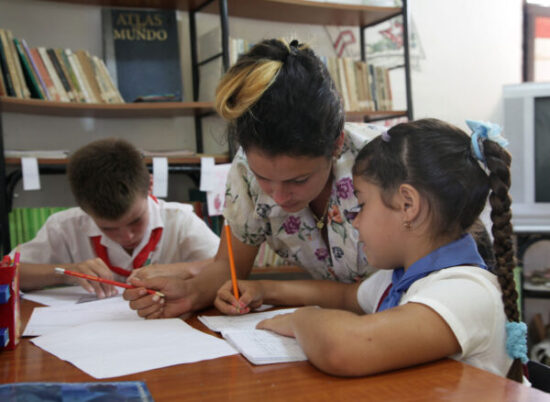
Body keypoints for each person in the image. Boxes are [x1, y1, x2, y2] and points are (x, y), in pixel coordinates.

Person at [214, 118, 527, 382]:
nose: (357, 221)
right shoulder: (400, 278)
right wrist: (263, 290)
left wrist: (299, 320)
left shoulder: (464, 291)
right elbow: (345, 296)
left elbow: (346, 347)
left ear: (408, 205)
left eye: (361, 205)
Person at [123, 38, 384, 318]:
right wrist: (191, 293)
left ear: (336, 144)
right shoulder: (245, 171)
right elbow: (229, 267)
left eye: (298, 180)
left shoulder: (387, 163)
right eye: (264, 178)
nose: (279, 197)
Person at [15, 138, 219, 298]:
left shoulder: (180, 220)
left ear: (149, 186)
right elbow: (8, 273)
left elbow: (231, 265)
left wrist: (182, 270)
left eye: (136, 221)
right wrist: (67, 272)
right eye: (108, 228)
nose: (126, 235)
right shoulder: (64, 226)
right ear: (84, 209)